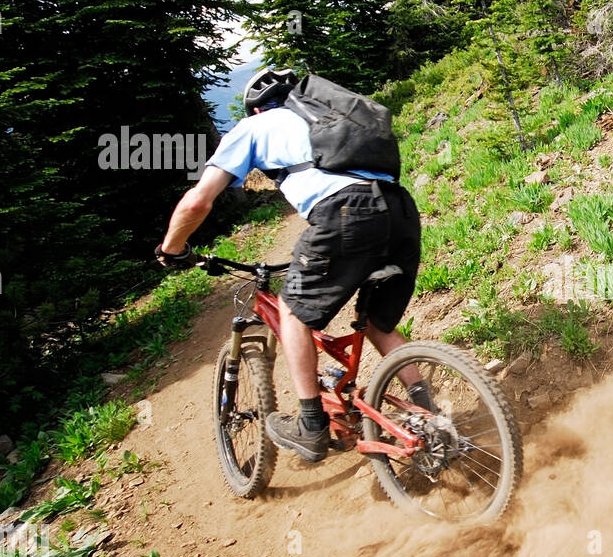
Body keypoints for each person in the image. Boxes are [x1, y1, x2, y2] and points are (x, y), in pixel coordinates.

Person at [155, 67, 432, 463]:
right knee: (377, 322)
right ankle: (429, 412)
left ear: (254, 110)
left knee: (292, 310)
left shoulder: (253, 128)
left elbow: (198, 201)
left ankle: (310, 425)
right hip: (399, 209)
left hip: (344, 213)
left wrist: (173, 247)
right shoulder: (327, 120)